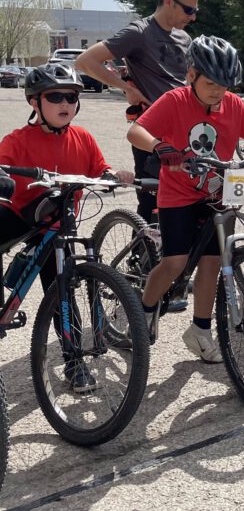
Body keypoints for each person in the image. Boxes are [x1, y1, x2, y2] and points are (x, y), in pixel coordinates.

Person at [126, 35, 244, 363]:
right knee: (174, 261)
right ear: (192, 75)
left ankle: (201, 330)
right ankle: (146, 309)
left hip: (220, 192)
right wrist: (160, 146)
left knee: (213, 263)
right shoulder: (174, 101)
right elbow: (136, 131)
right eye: (211, 83)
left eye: (225, 84)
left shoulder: (232, 103)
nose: (218, 91)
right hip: (179, 193)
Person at [0, 64, 134, 392]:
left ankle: (74, 362)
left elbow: (100, 169)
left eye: (72, 97)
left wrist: (115, 175)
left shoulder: (83, 138)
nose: (65, 104)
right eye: (55, 97)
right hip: (18, 214)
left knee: (62, 291)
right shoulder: (17, 140)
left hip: (57, 225)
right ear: (35, 102)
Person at [76, 0, 201, 224]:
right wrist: (125, 89)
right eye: (189, 9)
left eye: (195, 11)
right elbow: (85, 61)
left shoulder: (184, 38)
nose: (193, 17)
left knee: (188, 203)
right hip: (151, 132)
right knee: (153, 206)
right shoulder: (139, 32)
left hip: (185, 130)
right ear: (168, 2)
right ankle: (141, 260)